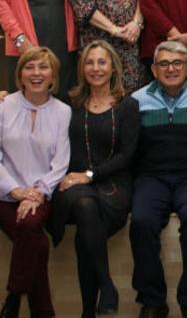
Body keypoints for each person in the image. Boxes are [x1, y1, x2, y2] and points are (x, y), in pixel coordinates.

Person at [0, 47, 71, 318]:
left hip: (40, 194)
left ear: (53, 75)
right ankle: (42, 312)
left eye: (43, 68)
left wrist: (36, 193)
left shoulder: (62, 111)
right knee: (36, 242)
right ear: (20, 75)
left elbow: (61, 162)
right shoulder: (2, 106)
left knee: (31, 226)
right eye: (29, 67)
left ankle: (13, 296)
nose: (36, 73)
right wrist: (17, 191)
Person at [50, 41, 139, 318]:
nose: (96, 68)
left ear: (113, 66)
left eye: (102, 62)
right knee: (85, 206)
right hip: (74, 185)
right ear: (82, 68)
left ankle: (88, 312)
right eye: (90, 62)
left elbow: (128, 155)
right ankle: (107, 286)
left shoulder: (128, 105)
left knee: (85, 237)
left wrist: (90, 175)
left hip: (113, 185)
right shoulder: (70, 104)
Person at [130, 41, 187, 318]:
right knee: (141, 222)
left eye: (177, 63)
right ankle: (153, 301)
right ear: (154, 70)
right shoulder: (137, 99)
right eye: (164, 64)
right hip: (151, 177)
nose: (171, 69)